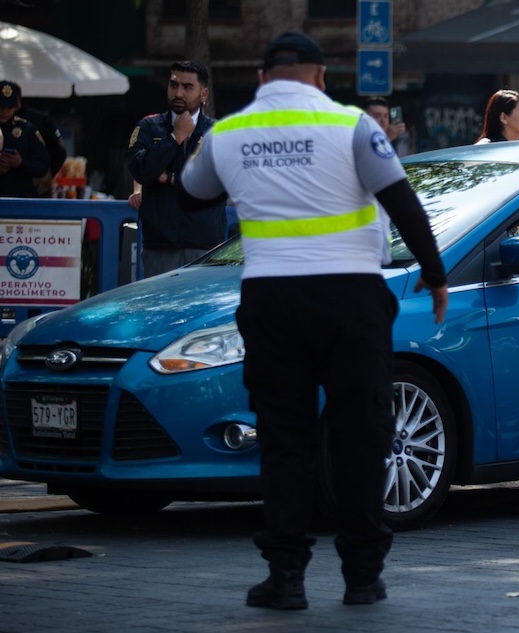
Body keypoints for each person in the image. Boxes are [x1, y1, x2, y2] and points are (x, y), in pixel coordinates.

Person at [178, 31, 449, 610]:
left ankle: (286, 577)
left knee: (284, 439)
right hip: (351, 297)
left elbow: (191, 195)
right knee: (360, 434)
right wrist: (435, 272)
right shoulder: (352, 125)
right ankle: (362, 577)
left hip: (271, 300)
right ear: (321, 77)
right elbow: (402, 199)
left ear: (260, 78)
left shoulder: (229, 133)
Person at [127, 62, 227, 277]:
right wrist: (174, 138)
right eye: (174, 85)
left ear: (203, 93)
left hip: (205, 246)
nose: (178, 93)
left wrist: (170, 177)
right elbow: (140, 170)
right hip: (160, 247)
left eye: (187, 87)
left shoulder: (217, 131)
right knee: (161, 309)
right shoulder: (149, 126)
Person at [0, 80, 51, 198]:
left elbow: (43, 165)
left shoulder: (27, 129)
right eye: (1, 107)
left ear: (16, 107)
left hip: (21, 196)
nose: (5, 112)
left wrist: (21, 163)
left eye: (9, 107)